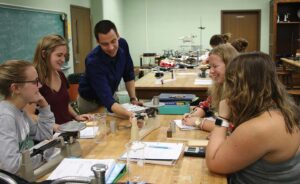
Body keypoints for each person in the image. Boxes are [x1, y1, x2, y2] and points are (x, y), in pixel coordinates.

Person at [206, 52, 300, 184]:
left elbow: (214, 163)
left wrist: (222, 118)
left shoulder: (259, 127)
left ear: (242, 85)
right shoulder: (284, 111)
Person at [78, 20, 141, 118]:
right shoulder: (93, 61)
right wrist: (133, 116)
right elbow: (106, 98)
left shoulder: (123, 44)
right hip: (90, 103)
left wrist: (133, 99)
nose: (111, 47)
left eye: (113, 41)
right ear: (98, 42)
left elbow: (128, 74)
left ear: (118, 36)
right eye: (105, 44)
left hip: (110, 97)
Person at [0, 60, 55, 174]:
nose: (39, 86)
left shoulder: (20, 111)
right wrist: (43, 155)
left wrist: (44, 106)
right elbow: (12, 167)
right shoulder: (5, 117)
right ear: (16, 88)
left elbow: (44, 134)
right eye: (35, 82)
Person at [33, 35, 91, 131]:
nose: (63, 60)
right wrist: (55, 126)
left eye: (65, 55)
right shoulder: (34, 80)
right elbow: (30, 115)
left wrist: (76, 116)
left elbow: (64, 104)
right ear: (44, 54)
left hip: (67, 131)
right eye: (59, 55)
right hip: (48, 137)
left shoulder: (61, 75)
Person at [182, 44, 239, 131]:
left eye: (215, 66)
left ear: (230, 66)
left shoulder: (239, 92)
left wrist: (199, 122)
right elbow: (207, 104)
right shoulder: (220, 85)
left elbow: (233, 128)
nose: (210, 72)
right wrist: (196, 114)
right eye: (210, 67)